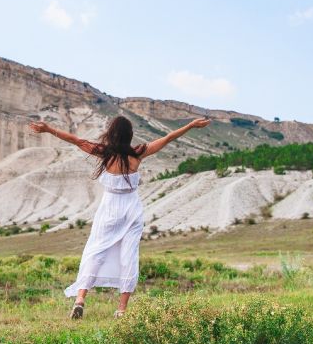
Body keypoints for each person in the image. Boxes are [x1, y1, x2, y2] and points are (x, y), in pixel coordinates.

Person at [28, 115, 211, 319]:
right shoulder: (138, 153)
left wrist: (48, 129)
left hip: (109, 209)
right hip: (131, 211)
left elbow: (76, 140)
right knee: (128, 257)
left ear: (111, 133)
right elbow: (168, 138)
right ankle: (121, 310)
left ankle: (80, 299)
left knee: (96, 251)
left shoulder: (104, 153)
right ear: (129, 135)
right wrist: (190, 125)